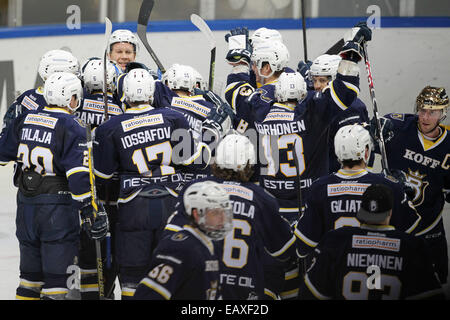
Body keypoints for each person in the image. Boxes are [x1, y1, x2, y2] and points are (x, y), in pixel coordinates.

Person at [93, 68, 217, 299]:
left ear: (124, 95)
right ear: (152, 94)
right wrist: (211, 136)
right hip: (171, 203)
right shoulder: (173, 117)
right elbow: (195, 162)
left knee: (132, 277)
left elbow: (103, 176)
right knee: (172, 269)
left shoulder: (109, 128)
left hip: (133, 206)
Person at [0, 72, 107, 300]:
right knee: (58, 282)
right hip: (57, 208)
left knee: (29, 280)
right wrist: (89, 209)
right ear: (70, 98)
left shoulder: (25, 118)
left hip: (26, 205)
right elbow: (78, 175)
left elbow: (2, 153)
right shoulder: (73, 126)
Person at [163, 134, 297, 300]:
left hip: (199, 285)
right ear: (249, 164)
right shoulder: (262, 199)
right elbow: (285, 251)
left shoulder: (194, 189)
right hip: (243, 290)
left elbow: (171, 237)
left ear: (217, 160)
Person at [294, 124, 422, 259]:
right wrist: (404, 195)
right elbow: (412, 235)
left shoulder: (318, 188)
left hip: (332, 271)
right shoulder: (388, 186)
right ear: (366, 152)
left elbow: (303, 248)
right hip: (379, 269)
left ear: (337, 151)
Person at [299, 184, 445, 300]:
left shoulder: (334, 241)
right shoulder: (412, 247)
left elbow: (311, 293)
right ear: (390, 212)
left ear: (361, 211)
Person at [378, 85, 450, 284]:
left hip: (429, 229)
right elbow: (359, 148)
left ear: (443, 113)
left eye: (432, 112)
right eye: (422, 110)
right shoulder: (398, 126)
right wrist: (371, 131)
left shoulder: (448, 146)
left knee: (433, 285)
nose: (425, 117)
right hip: (392, 226)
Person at [75, 58, 124, 300]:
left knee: (86, 256)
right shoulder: (118, 110)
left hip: (82, 191)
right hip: (111, 192)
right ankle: (108, 292)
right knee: (111, 254)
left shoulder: (76, 106)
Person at [134, 181, 232, 300]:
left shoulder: (210, 245)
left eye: (224, 211)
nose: (222, 218)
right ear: (197, 213)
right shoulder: (179, 249)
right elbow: (148, 296)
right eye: (215, 212)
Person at [3, 49, 80, 131]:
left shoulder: (27, 97)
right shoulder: (72, 100)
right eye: (72, 74)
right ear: (58, 74)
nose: (75, 79)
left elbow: (6, 134)